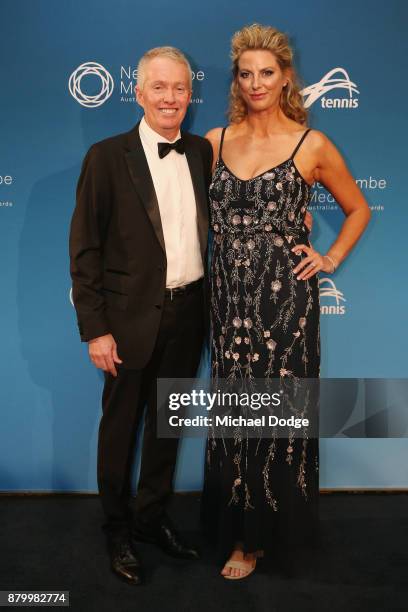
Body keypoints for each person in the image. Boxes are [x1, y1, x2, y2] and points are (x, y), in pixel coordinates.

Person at [201, 24, 371, 579]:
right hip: (227, 304)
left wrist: (329, 259)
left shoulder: (311, 143)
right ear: (237, 79)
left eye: (266, 73)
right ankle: (241, 538)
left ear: (286, 78)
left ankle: (279, 535)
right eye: (246, 73)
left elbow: (358, 209)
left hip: (287, 306)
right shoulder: (214, 141)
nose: (256, 83)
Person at [69, 46, 212, 586]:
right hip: (125, 322)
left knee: (166, 430)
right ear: (139, 92)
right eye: (159, 87)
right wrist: (95, 329)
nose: (170, 98)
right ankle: (117, 529)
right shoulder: (106, 157)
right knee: (121, 431)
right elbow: (84, 250)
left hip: (189, 313)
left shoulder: (201, 152)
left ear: (189, 95)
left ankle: (152, 519)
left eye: (179, 88)